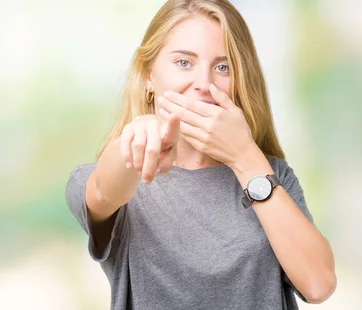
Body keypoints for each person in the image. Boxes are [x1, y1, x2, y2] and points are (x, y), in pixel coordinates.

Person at [64, 0, 336, 309]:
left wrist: (245, 158)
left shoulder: (272, 176)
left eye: (223, 67)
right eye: (184, 62)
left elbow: (319, 285)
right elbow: (102, 190)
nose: (203, 85)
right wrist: (137, 139)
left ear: (239, 82)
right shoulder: (116, 181)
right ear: (148, 75)